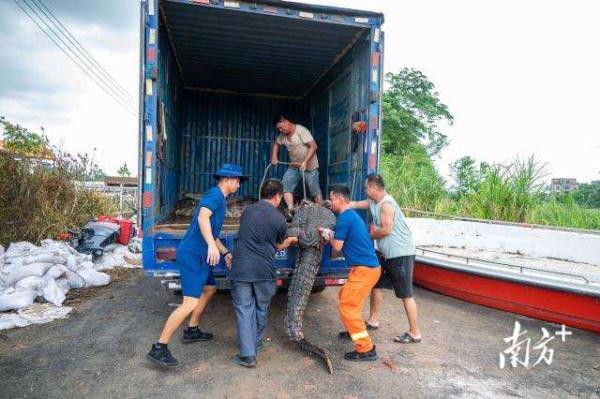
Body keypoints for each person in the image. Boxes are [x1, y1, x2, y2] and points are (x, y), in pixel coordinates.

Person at [146, 163, 248, 367]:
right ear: (228, 180)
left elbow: (213, 232)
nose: (239, 184)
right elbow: (202, 217)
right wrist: (211, 246)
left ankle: (192, 330)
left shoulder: (220, 199)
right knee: (189, 302)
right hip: (193, 255)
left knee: (210, 288)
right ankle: (159, 347)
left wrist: (224, 252)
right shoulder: (215, 196)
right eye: (237, 180)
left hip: (201, 255)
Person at [228, 179, 299, 368]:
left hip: (241, 269)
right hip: (264, 271)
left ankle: (247, 354)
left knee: (244, 309)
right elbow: (277, 245)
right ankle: (255, 344)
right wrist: (291, 241)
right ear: (277, 196)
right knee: (261, 308)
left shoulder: (247, 212)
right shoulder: (279, 219)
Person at [349, 174, 422, 344]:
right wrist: (341, 204)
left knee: (406, 294)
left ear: (374, 188)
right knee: (376, 285)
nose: (365, 190)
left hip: (401, 254)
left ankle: (415, 332)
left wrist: (369, 236)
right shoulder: (373, 202)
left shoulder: (386, 205)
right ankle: (374, 320)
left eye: (367, 188)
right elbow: (355, 204)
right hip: (385, 254)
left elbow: (387, 229)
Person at [319, 184, 381, 362]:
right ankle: (354, 329)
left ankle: (366, 349)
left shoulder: (344, 218)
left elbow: (337, 246)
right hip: (366, 269)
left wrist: (327, 235)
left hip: (364, 270)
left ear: (339, 199)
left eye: (331, 199)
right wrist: (333, 234)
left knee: (348, 307)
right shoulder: (351, 216)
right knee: (346, 297)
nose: (330, 202)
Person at [270, 114, 323, 213]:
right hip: (294, 166)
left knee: (315, 191)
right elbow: (276, 143)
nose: (280, 131)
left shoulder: (301, 131)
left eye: (281, 128)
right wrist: (274, 156)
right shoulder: (283, 136)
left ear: (286, 121)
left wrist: (305, 162)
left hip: (309, 167)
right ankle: (291, 210)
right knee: (286, 186)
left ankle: (322, 212)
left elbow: (314, 146)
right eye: (279, 129)